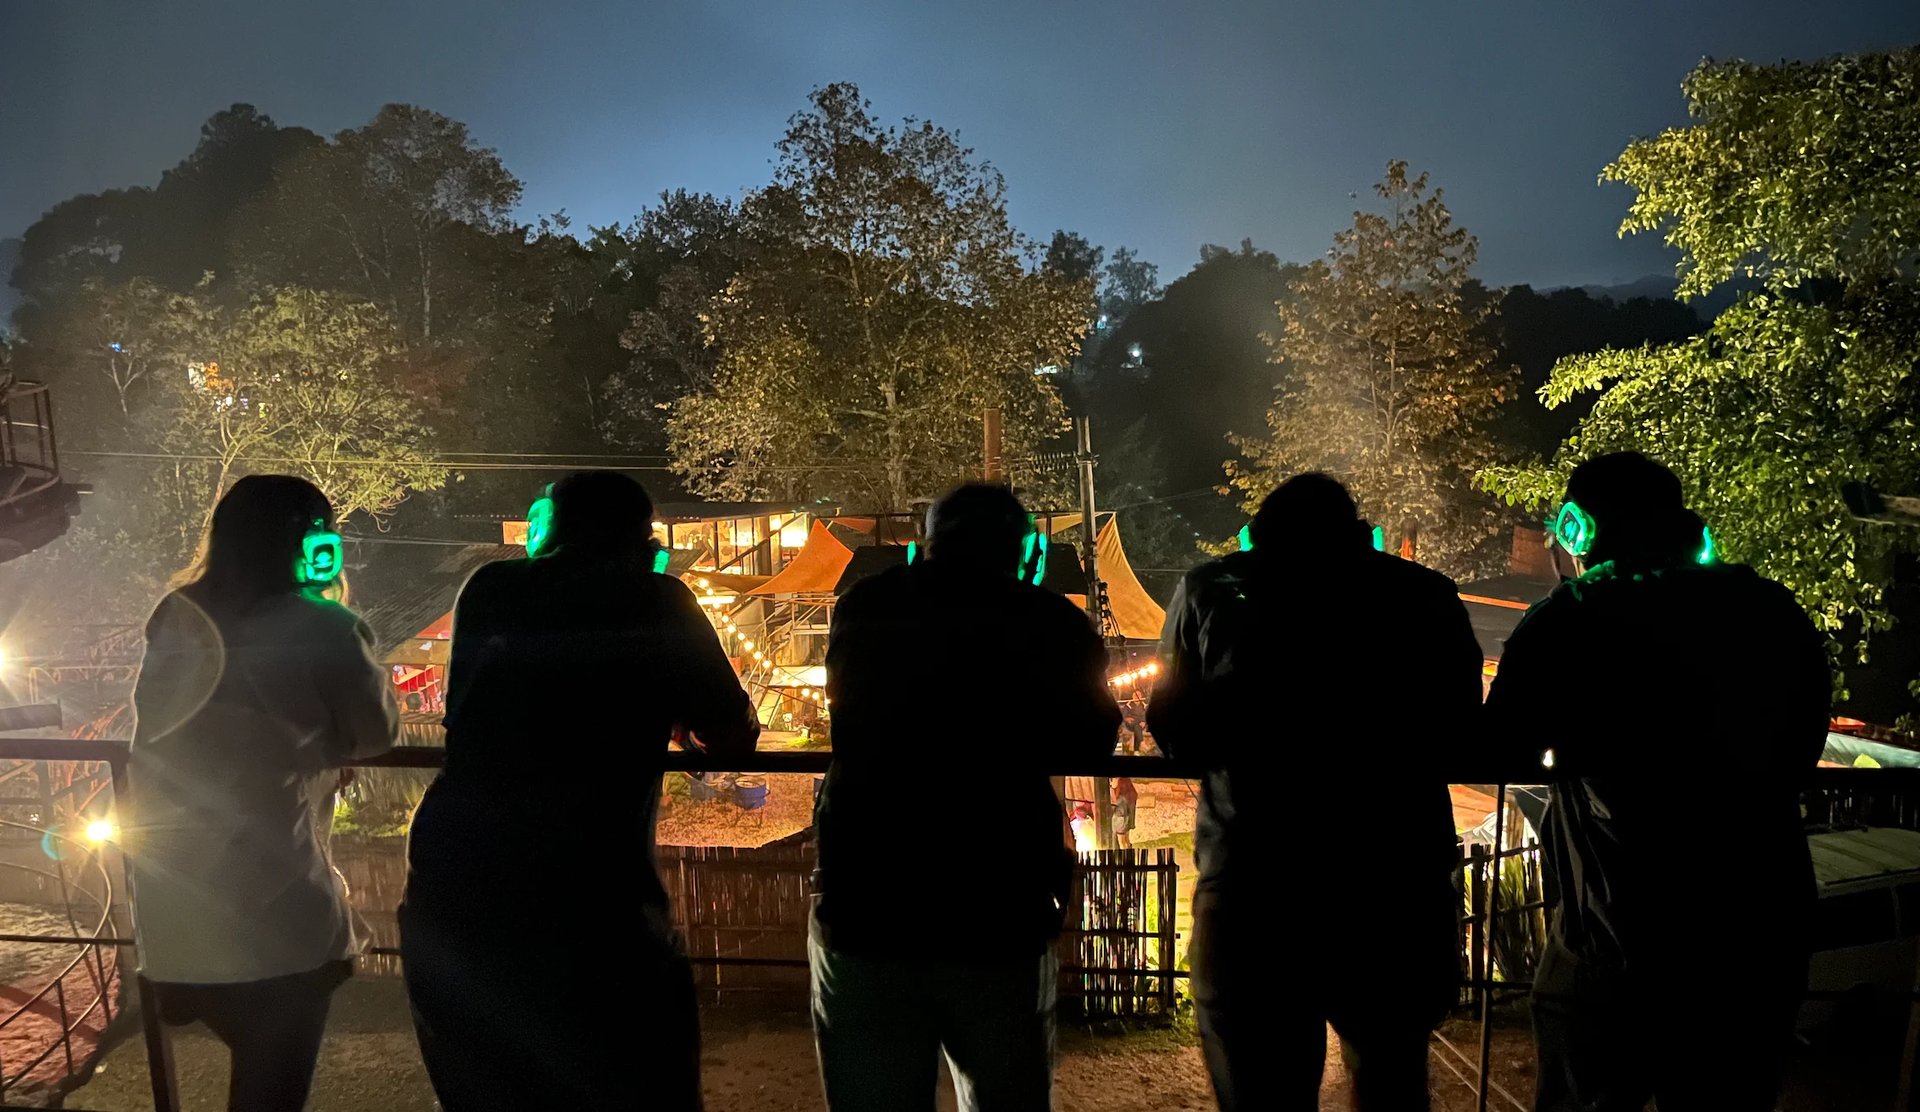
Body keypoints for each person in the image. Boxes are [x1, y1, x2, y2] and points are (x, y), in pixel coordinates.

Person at [400, 472, 758, 1112]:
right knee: (645, 1080)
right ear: (643, 540)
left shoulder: (489, 588)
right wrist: (674, 712)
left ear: (551, 531)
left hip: (455, 876)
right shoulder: (656, 600)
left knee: (490, 1087)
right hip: (590, 892)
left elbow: (471, 713)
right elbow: (733, 737)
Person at [1483, 452, 1829, 1111]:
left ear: (1578, 527)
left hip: (1617, 944)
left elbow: (1499, 746)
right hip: (1757, 942)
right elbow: (1801, 744)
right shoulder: (1772, 610)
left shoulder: (1570, 617)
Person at [1148, 473, 1482, 1112]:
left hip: (1254, 883)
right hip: (1393, 883)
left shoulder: (1211, 590)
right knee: (1392, 1082)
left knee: (1260, 1091)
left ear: (1257, 533)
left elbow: (1175, 730)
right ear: (1359, 532)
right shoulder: (1423, 595)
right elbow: (1461, 733)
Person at [812, 483, 1121, 1111]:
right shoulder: (1047, 620)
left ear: (927, 543)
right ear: (1022, 549)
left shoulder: (867, 606)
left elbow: (847, 715)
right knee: (1005, 1094)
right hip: (997, 898)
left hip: (869, 889)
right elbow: (1092, 740)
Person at [128, 475, 399, 1112]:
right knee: (270, 1094)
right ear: (312, 542)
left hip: (174, 920)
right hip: (276, 921)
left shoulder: (176, 614)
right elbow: (376, 735)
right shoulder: (327, 626)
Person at [1111, 777, 1138, 849]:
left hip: (1120, 821)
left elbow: (1113, 808)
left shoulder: (1120, 797)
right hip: (1127, 820)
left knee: (1122, 843)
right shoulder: (1131, 794)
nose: (1113, 781)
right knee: (1127, 841)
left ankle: (1125, 856)